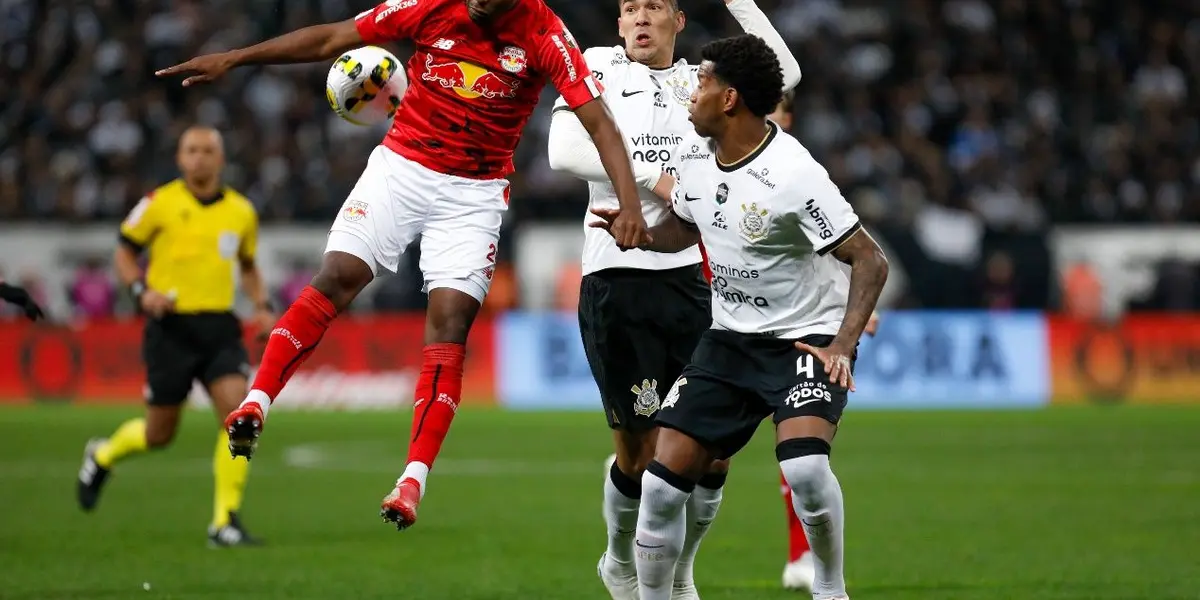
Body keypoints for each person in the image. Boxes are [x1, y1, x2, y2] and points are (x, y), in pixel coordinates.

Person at [156, 0, 650, 531]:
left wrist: (631, 203)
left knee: (449, 324)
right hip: (403, 168)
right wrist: (235, 58)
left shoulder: (546, 33)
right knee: (338, 276)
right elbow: (332, 39)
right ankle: (256, 402)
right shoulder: (431, 6)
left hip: (474, 194)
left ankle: (412, 479)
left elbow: (598, 123)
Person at [591, 34, 889, 600]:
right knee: (658, 488)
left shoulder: (794, 173)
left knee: (803, 471)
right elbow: (689, 224)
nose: (691, 94)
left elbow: (869, 259)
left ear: (729, 99)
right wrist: (643, 239)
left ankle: (830, 588)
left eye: (701, 82)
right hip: (729, 340)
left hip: (804, 340)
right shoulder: (696, 156)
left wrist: (842, 345)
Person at [545, 1, 800, 598]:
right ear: (617, 23)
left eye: (652, 7)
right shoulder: (598, 67)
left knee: (710, 452)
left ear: (677, 20)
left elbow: (782, 73)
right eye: (628, 7)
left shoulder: (698, 80)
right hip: (618, 279)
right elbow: (565, 150)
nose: (638, 17)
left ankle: (682, 571)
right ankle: (617, 559)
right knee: (639, 456)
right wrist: (656, 171)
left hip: (693, 279)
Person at [75, 126, 276, 547]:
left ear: (221, 160)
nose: (200, 158)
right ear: (180, 159)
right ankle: (103, 455)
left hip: (220, 327)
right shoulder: (158, 204)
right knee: (158, 434)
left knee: (240, 420)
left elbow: (249, 265)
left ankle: (225, 521)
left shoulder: (242, 211)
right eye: (192, 150)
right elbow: (124, 251)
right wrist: (139, 292)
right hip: (171, 329)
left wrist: (260, 306)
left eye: (208, 151)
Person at [766, 90, 881, 593]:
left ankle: (808, 562)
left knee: (801, 453)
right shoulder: (712, 162)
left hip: (801, 330)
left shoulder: (798, 172)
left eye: (766, 106)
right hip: (727, 324)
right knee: (698, 463)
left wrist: (851, 315)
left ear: (786, 115)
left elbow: (839, 248)